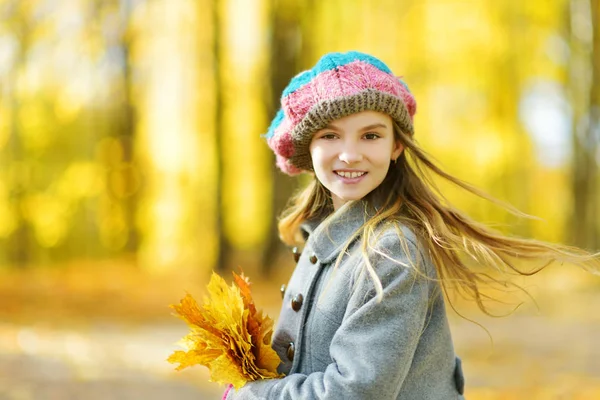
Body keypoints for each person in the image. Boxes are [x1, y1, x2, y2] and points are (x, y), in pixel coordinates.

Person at [223, 51, 599, 399]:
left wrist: (251, 396)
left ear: (396, 146)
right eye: (329, 135)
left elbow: (354, 391)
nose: (350, 153)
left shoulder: (391, 250)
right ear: (309, 149)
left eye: (370, 135)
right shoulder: (322, 240)